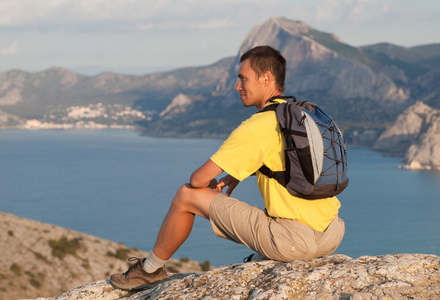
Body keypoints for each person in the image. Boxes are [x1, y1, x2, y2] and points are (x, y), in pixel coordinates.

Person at [110, 45, 345, 291]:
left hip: (294, 242)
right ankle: (265, 255)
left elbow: (198, 179)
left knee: (186, 195)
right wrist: (238, 174)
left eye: (243, 78)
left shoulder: (258, 125)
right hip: (331, 234)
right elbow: (291, 163)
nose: (237, 86)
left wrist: (210, 183)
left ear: (266, 78)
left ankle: (149, 271)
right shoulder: (299, 116)